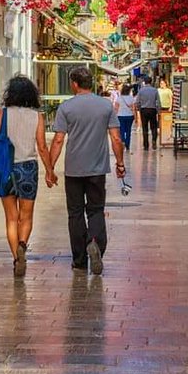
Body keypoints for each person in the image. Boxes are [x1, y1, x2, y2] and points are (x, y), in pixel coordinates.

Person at [47, 66, 125, 274]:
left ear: (74, 84)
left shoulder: (66, 108)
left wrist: (50, 167)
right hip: (98, 169)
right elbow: (116, 138)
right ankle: (95, 243)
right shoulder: (105, 106)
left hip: (73, 169)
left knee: (75, 213)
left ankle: (79, 260)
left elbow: (58, 140)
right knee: (96, 209)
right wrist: (120, 163)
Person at [0, 74, 55, 277]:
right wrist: (50, 171)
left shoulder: (2, 114)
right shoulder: (37, 116)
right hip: (28, 169)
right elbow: (41, 146)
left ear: (10, 94)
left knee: (11, 218)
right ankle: (23, 245)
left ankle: (16, 257)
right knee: (27, 216)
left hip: (5, 168)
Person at [136, 75, 160, 150]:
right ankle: (154, 140)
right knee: (154, 127)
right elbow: (158, 102)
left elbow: (137, 101)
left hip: (144, 110)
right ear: (151, 82)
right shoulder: (155, 90)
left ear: (144, 82)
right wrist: (158, 111)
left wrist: (139, 109)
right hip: (152, 109)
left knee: (145, 128)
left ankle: (146, 145)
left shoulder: (141, 90)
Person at [115, 82, 136, 152]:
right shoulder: (131, 98)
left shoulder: (119, 98)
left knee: (122, 130)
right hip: (130, 116)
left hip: (120, 116)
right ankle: (127, 145)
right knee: (128, 131)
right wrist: (135, 117)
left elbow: (116, 108)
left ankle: (123, 141)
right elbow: (133, 108)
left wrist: (115, 117)